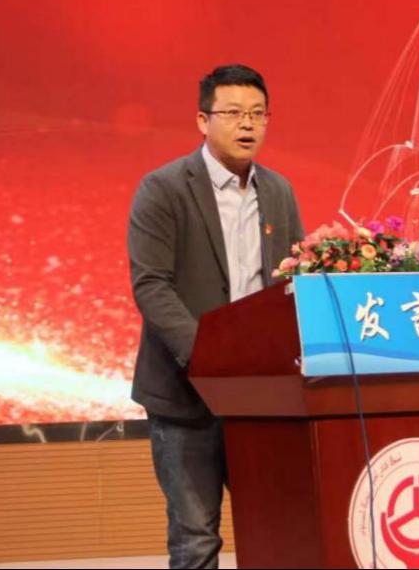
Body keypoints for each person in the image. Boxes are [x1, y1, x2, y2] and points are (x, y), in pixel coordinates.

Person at [127, 64, 305, 568]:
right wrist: (209, 357)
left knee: (274, 526)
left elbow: (292, 283)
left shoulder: (278, 192)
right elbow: (152, 285)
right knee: (196, 539)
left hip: (260, 396)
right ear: (203, 121)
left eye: (257, 114)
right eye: (232, 113)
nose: (247, 124)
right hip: (185, 394)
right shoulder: (163, 188)